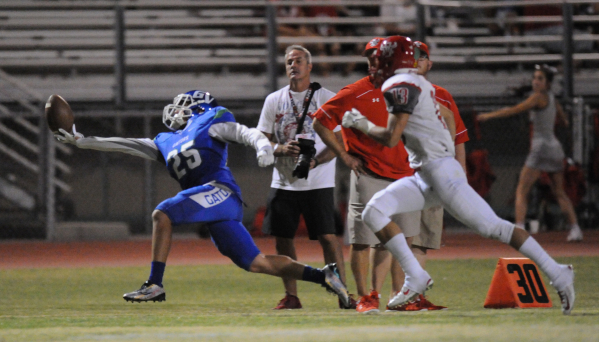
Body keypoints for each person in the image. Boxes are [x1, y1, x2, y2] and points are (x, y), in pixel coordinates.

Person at [341, 36, 575, 315]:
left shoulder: (398, 84)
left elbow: (391, 138)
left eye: (381, 59)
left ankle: (558, 272)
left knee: (496, 228)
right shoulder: (420, 82)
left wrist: (361, 123)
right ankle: (415, 275)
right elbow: (445, 114)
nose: (376, 65)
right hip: (428, 174)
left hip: (440, 174)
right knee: (374, 210)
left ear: (394, 60)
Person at [53, 90, 350, 308]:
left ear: (197, 107)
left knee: (163, 213)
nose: (176, 109)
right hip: (210, 202)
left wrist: (264, 148)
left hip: (222, 192)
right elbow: (126, 145)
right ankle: (325, 276)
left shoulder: (211, 118)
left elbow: (245, 133)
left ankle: (155, 283)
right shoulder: (166, 140)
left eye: (183, 104)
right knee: (256, 263)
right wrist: (83, 141)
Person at [313, 37, 422, 314]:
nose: (375, 63)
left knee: (403, 239)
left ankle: (399, 295)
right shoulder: (355, 92)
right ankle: (365, 296)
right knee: (362, 240)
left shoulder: (403, 90)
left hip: (405, 173)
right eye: (371, 58)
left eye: (380, 57)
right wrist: (344, 155)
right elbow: (321, 121)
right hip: (370, 173)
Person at [257, 45, 352, 310]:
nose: (292, 65)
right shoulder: (274, 99)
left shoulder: (327, 98)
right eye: (289, 61)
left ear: (309, 67)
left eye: (298, 60)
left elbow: (343, 138)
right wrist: (280, 149)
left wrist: (316, 161)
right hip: (284, 180)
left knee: (327, 236)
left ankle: (342, 291)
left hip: (318, 180)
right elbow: (261, 139)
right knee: (283, 238)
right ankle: (292, 296)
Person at [386, 40, 471, 312]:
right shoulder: (397, 89)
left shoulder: (441, 94)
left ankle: (414, 297)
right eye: (412, 58)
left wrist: (460, 172)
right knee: (404, 238)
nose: (416, 62)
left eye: (420, 58)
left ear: (428, 64)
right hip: (406, 174)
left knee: (423, 240)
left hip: (435, 176)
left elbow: (458, 136)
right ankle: (396, 293)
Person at [478, 64, 583, 242]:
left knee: (522, 189)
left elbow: (514, 110)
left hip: (540, 148)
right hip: (555, 148)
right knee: (559, 192)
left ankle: (519, 229)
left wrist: (488, 116)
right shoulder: (552, 98)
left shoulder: (537, 98)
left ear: (548, 83)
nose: (535, 81)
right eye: (534, 78)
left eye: (540, 79)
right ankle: (575, 228)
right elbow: (564, 121)